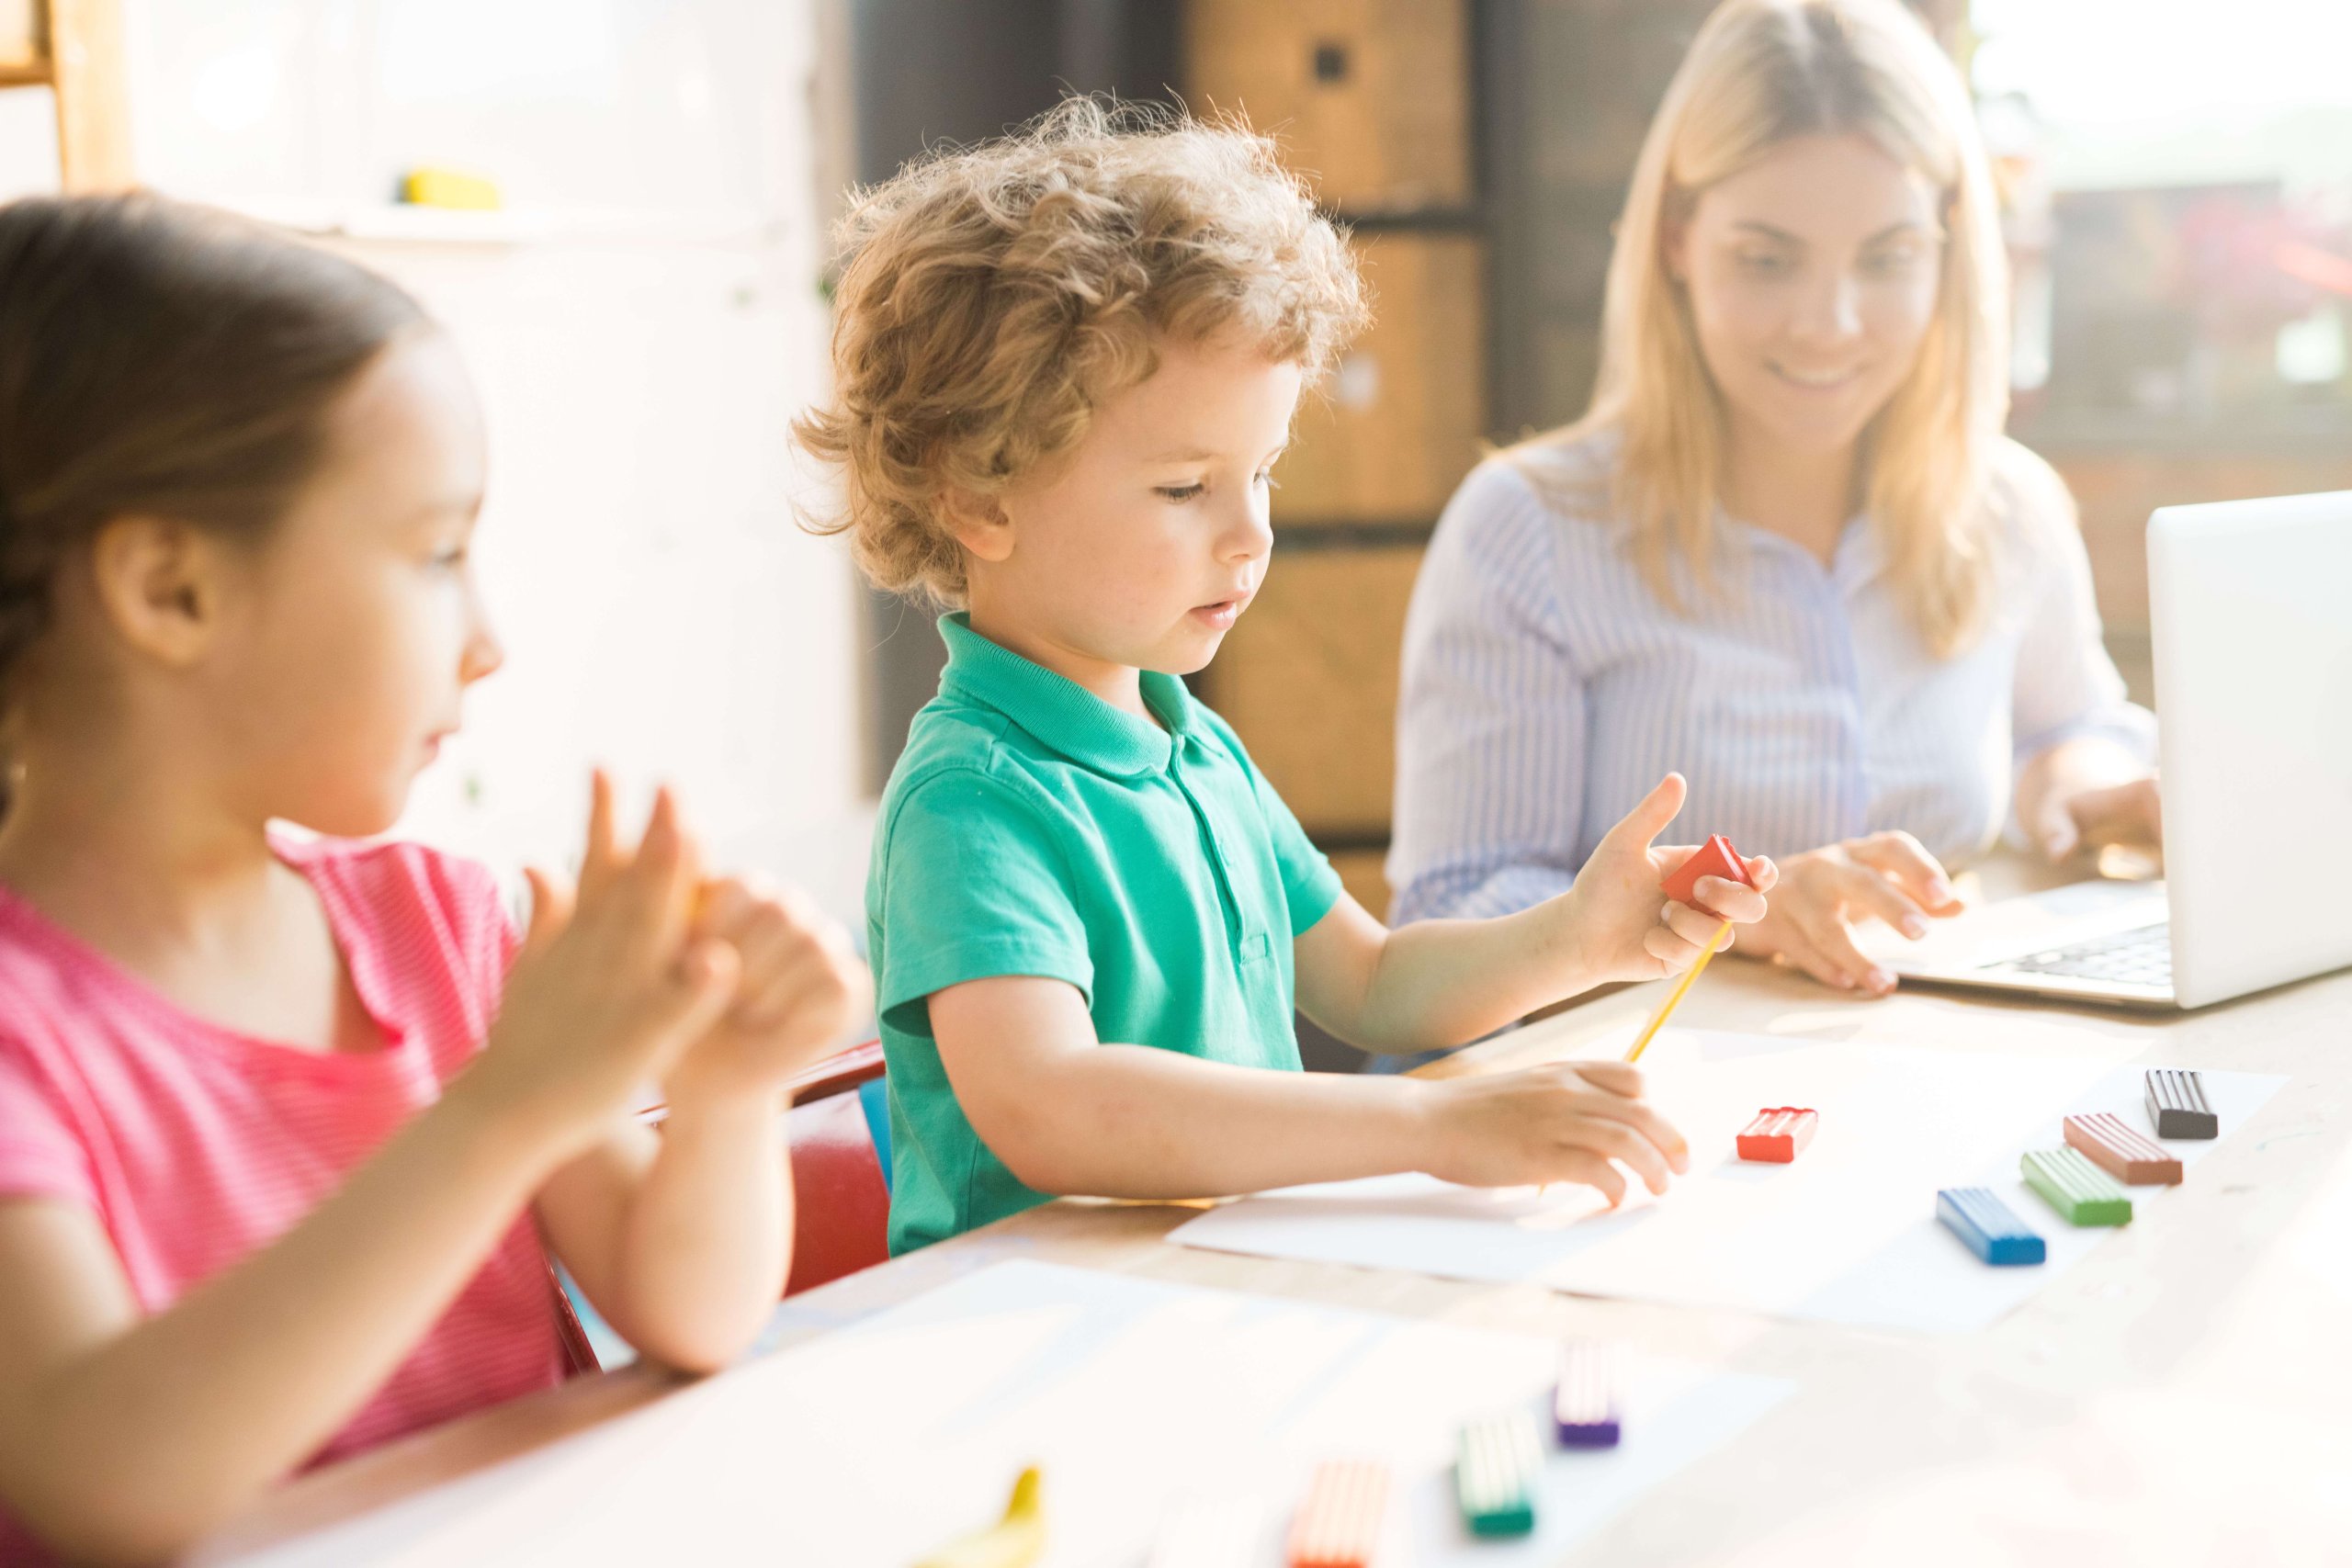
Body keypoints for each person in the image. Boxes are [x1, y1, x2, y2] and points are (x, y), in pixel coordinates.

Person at [0, 195, 866, 1564]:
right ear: (171, 591)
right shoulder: (26, 1034)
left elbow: (686, 1308)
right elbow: (107, 1476)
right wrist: (505, 1108)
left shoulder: (434, 925)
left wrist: (724, 1095)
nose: (489, 640)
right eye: (435, 553)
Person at [793, 100, 1776, 1258]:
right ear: (980, 498)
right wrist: (1427, 1119)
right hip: (1029, 1338)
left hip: (1211, 1296)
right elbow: (1051, 1108)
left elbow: (1375, 986)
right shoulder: (972, 802)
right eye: (1183, 487)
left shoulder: (1190, 745)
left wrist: (1580, 936)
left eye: (1259, 472)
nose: (1250, 533)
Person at [1390, 0, 2156, 1000]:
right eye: (1765, 258)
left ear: (1946, 254)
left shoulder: (2007, 504)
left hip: (1924, 1070)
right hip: (1637, 1109)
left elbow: (2064, 727)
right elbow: (1448, 915)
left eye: (1885, 258)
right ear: (1675, 239)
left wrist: (2080, 785)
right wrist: (1729, 908)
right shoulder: (1526, 530)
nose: (1829, 326)